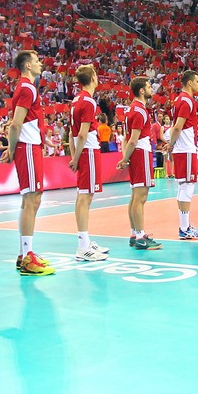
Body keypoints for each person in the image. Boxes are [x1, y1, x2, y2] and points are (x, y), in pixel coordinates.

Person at [0, 50, 56, 276]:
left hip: (30, 146)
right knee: (32, 200)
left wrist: (43, 137)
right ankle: (28, 256)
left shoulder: (26, 87)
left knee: (30, 200)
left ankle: (25, 253)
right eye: (37, 61)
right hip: (28, 148)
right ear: (28, 66)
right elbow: (15, 124)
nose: (41, 64)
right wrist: (12, 149)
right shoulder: (27, 87)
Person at [67, 64, 112, 260]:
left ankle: (85, 241)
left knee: (84, 196)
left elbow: (71, 133)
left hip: (82, 152)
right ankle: (82, 246)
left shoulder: (75, 101)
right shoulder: (88, 102)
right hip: (88, 152)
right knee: (85, 198)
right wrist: (76, 158)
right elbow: (83, 134)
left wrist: (73, 155)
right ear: (92, 78)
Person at [116, 76, 163, 250]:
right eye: (149, 86)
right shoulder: (140, 110)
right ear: (141, 90)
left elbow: (125, 139)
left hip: (136, 153)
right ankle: (141, 236)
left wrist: (125, 157)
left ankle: (135, 234)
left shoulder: (130, 110)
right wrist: (125, 158)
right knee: (140, 198)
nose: (151, 88)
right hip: (140, 153)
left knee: (135, 196)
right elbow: (133, 140)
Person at [165, 69, 198, 239]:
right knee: (187, 187)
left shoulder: (179, 100)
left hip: (183, 149)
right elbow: (177, 126)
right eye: (197, 81)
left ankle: (185, 226)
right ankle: (184, 228)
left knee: (184, 187)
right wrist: (171, 144)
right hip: (185, 149)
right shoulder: (187, 101)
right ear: (189, 82)